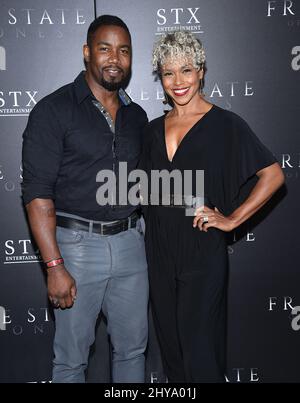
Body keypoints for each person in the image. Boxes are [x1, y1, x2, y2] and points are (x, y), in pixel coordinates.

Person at [140, 31, 285, 382]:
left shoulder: (226, 125)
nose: (178, 82)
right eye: (169, 72)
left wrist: (232, 219)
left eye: (187, 70)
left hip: (202, 255)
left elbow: (273, 176)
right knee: (173, 359)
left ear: (202, 72)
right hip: (158, 256)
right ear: (160, 76)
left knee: (202, 360)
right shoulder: (150, 130)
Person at [22, 15, 149, 383]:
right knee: (71, 361)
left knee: (132, 351)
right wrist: (54, 265)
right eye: (105, 48)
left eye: (123, 51)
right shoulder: (53, 110)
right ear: (86, 52)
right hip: (76, 249)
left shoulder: (137, 116)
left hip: (130, 244)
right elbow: (37, 194)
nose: (115, 58)